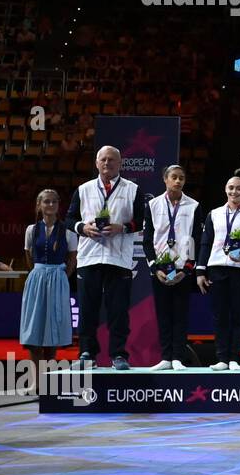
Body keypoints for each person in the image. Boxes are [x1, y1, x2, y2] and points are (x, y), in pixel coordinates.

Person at [64, 146, 146, 369]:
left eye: (112, 160)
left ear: (120, 164)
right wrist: (83, 228)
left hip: (118, 259)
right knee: (88, 309)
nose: (107, 163)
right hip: (89, 257)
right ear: (96, 163)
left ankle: (118, 354)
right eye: (103, 159)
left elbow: (142, 220)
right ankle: (87, 353)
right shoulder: (84, 189)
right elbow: (69, 219)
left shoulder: (133, 189)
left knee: (118, 310)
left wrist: (123, 227)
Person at [196, 170, 240, 370]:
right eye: (231, 188)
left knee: (238, 314)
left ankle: (234, 357)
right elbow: (205, 243)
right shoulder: (214, 214)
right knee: (220, 315)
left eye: (238, 188)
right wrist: (200, 271)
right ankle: (222, 358)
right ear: (225, 190)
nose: (234, 191)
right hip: (217, 268)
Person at [142, 164, 199, 370]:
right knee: (164, 313)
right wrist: (154, 267)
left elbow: (196, 239)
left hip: (183, 269)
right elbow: (147, 240)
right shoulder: (153, 205)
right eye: (174, 177)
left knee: (180, 314)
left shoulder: (193, 206)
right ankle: (166, 357)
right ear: (165, 179)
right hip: (160, 269)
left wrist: (187, 269)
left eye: (181, 178)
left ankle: (178, 357)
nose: (178, 181)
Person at [19, 189, 78, 385]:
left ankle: (48, 381)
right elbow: (29, 257)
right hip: (37, 279)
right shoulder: (31, 230)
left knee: (52, 331)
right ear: (39, 205)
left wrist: (60, 277)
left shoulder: (68, 231)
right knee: (34, 330)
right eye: (46, 202)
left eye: (54, 202)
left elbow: (72, 259)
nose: (50, 205)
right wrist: (39, 273)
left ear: (58, 205)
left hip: (58, 279)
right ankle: (35, 381)